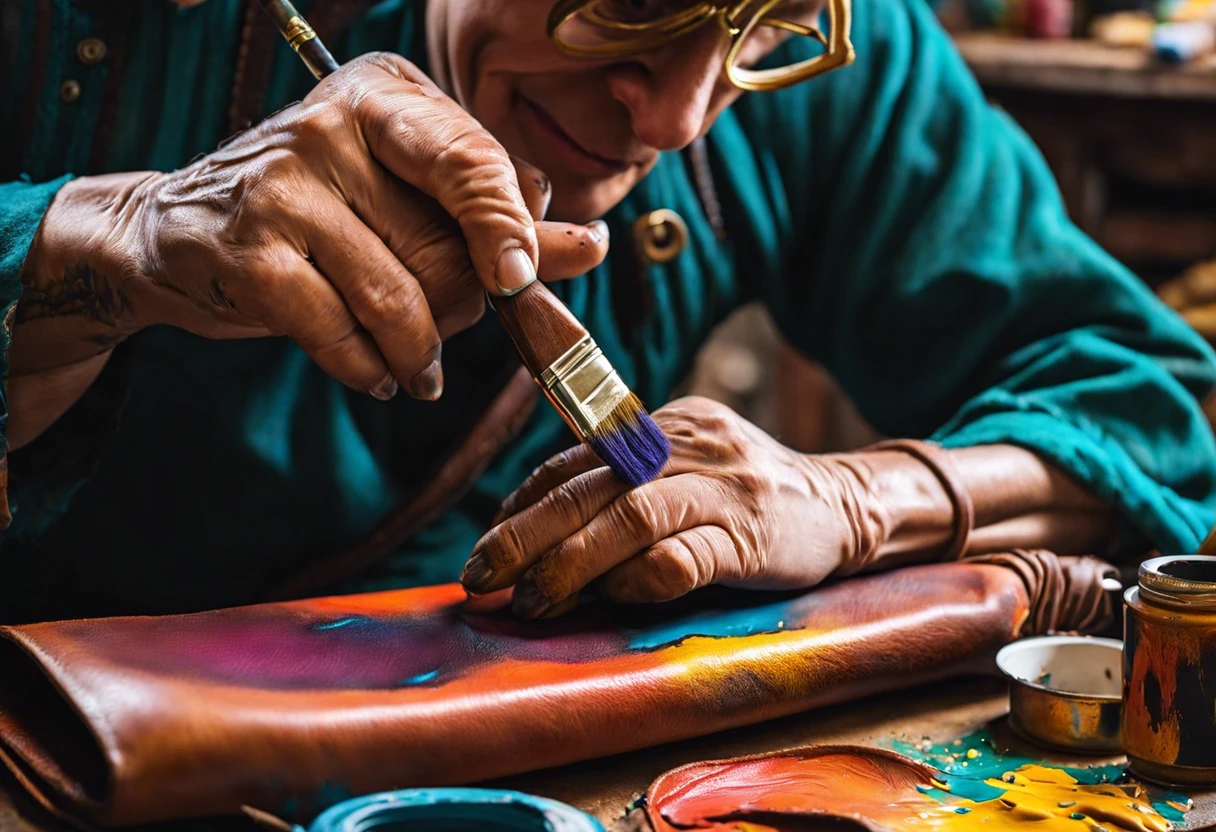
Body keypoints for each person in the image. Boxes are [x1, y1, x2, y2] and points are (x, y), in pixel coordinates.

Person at [1, 0, 1213, 624]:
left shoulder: (821, 49)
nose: (679, 119)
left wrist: (854, 501)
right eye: (631, 3)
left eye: (758, 27)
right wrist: (111, 242)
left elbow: (1145, 408)